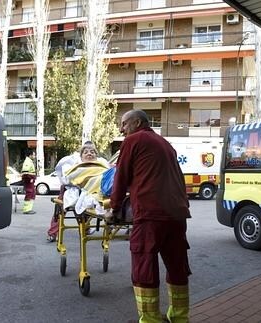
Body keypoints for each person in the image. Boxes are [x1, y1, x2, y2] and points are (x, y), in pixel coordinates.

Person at [108, 110, 191, 323]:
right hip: (176, 214)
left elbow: (121, 176)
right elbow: (177, 178)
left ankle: (151, 320)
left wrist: (114, 207)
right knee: (177, 266)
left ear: (137, 122)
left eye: (124, 124)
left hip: (151, 214)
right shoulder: (165, 144)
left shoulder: (133, 140)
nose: (121, 129)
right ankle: (179, 317)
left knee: (144, 266)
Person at [47, 141, 108, 242]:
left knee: (85, 208)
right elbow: (67, 179)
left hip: (90, 191)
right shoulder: (75, 165)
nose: (89, 153)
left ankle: (85, 228)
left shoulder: (101, 165)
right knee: (61, 210)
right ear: (81, 156)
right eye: (86, 152)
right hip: (71, 189)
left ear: (96, 155)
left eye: (92, 151)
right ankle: (53, 233)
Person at [21, 149, 37, 214]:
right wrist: (30, 179)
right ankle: (26, 209)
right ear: (30, 155)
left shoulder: (29, 161)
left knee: (32, 194)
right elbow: (25, 173)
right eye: (34, 155)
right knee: (29, 193)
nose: (34, 156)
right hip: (29, 181)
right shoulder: (27, 162)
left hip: (31, 181)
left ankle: (29, 208)